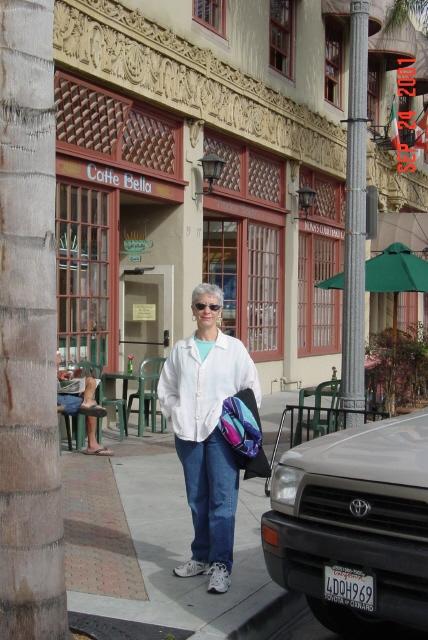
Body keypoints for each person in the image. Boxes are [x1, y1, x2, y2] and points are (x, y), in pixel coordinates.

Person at [157, 283, 261, 594]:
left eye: (213, 307)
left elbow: (252, 389)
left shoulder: (234, 349)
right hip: (188, 433)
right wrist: (177, 411)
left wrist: (232, 417)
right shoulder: (180, 350)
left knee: (222, 501)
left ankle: (220, 565)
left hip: (222, 435)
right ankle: (201, 557)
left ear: (221, 311)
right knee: (197, 499)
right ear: (192, 310)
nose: (207, 311)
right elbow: (166, 389)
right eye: (201, 305)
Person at [57, 354, 113, 456]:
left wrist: (59, 374)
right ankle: (92, 444)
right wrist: (55, 364)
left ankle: (87, 401)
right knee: (92, 405)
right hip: (53, 397)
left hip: (58, 392)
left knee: (89, 382)